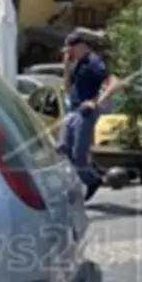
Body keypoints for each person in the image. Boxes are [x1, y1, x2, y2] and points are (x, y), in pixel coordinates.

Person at [58, 32, 121, 195]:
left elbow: (114, 83)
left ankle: (93, 180)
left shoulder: (93, 62)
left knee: (79, 155)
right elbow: (67, 88)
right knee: (63, 149)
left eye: (70, 50)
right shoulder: (77, 63)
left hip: (85, 113)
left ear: (80, 47)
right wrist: (66, 66)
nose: (68, 54)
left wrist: (98, 101)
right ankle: (82, 179)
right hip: (72, 110)